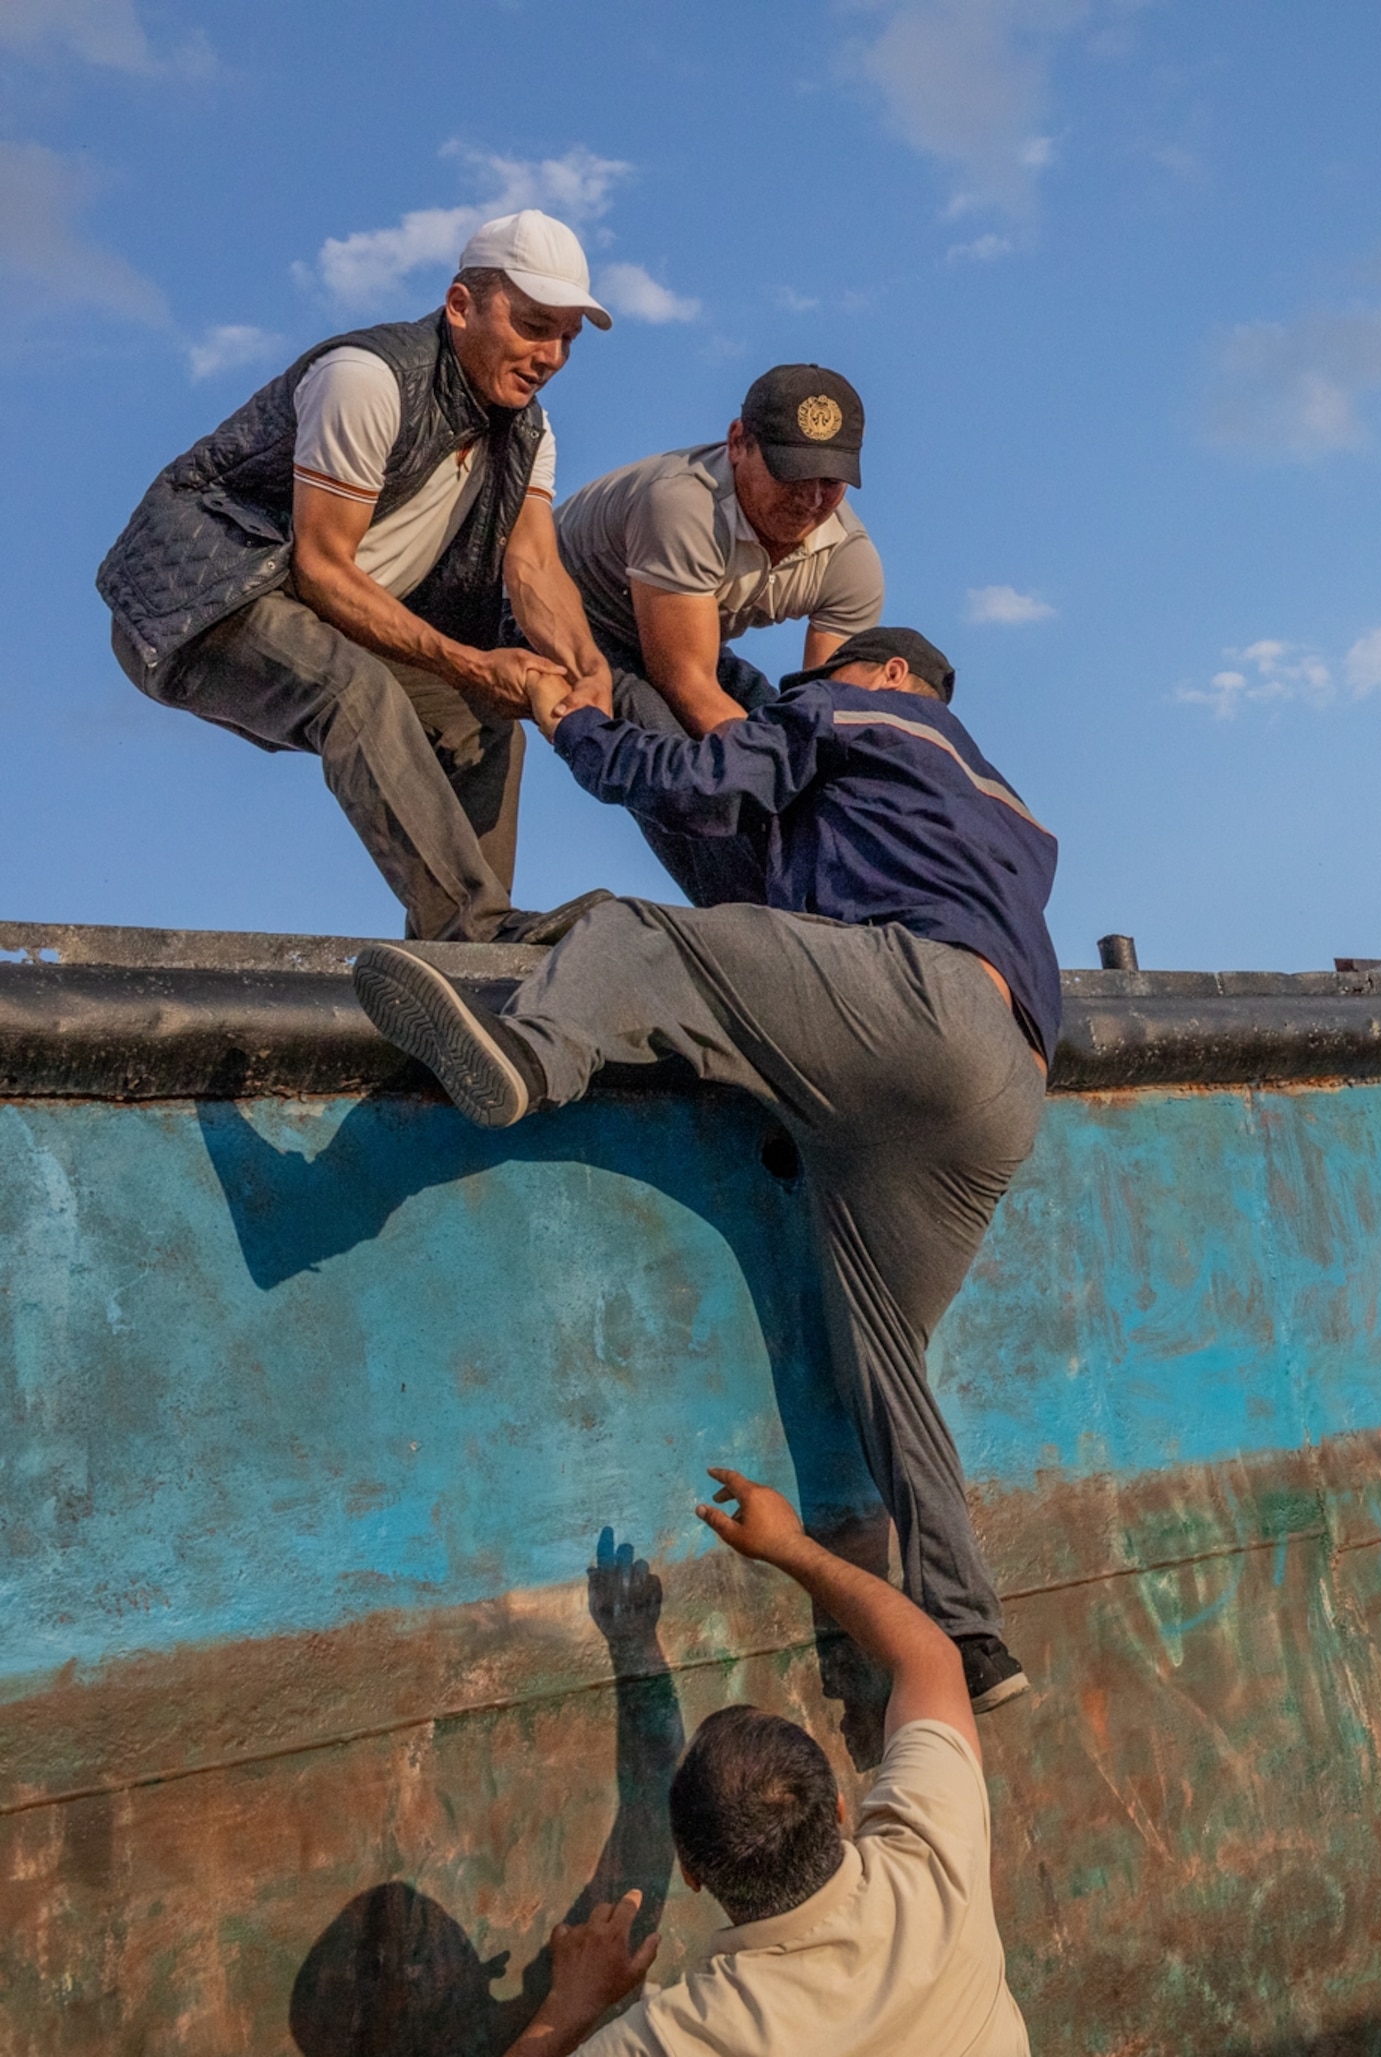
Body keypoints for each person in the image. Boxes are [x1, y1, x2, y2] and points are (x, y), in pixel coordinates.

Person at [348, 625, 1058, 1708]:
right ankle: (971, 1633)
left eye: (817, 681)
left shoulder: (864, 709)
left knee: (647, 936)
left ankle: (528, 1055)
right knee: (884, 1362)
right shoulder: (1006, 807)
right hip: (1005, 1088)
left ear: (892, 671)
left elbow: (715, 772)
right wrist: (677, 658)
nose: (796, 697)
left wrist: (579, 725)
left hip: (915, 1012)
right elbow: (746, 745)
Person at [95, 209, 619, 943]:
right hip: (209, 601)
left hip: (328, 614)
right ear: (461, 306)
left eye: (567, 336)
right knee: (355, 687)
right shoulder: (368, 379)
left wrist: (588, 668)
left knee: (486, 718)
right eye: (535, 325)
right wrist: (473, 660)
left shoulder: (530, 432)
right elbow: (319, 568)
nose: (552, 354)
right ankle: (474, 931)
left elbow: (533, 564)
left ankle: (467, 967)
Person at [508, 1466, 1033, 2057]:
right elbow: (930, 1658)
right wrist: (790, 1547)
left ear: (691, 1872)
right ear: (837, 1808)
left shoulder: (685, 2035)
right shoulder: (936, 1872)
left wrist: (570, 2006)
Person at [554, 366, 883, 907]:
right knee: (679, 755)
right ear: (738, 444)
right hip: (571, 615)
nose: (810, 499)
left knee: (790, 733)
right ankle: (744, 919)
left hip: (681, 631)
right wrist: (770, 768)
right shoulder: (685, 506)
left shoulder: (850, 561)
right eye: (792, 474)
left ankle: (824, 915)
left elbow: (828, 715)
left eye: (830, 481)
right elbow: (682, 681)